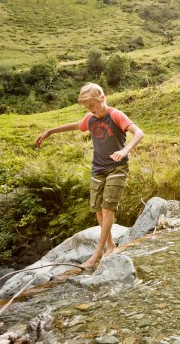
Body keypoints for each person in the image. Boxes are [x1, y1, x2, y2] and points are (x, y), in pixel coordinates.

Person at [35, 83, 144, 267]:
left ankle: (98, 253)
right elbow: (77, 125)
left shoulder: (115, 115)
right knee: (98, 210)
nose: (90, 110)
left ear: (102, 98)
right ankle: (110, 245)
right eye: (87, 107)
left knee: (108, 208)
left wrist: (125, 150)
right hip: (97, 169)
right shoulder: (90, 118)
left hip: (117, 167)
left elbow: (139, 133)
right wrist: (50, 131)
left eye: (92, 105)